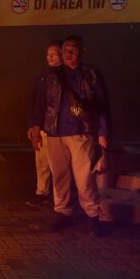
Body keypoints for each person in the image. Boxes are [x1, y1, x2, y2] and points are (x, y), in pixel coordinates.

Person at [30, 36, 112, 237]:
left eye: (73, 50)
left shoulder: (90, 75)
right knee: (59, 176)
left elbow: (102, 105)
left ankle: (94, 215)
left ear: (82, 51)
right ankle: (63, 212)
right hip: (55, 133)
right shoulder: (51, 77)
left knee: (84, 178)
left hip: (80, 132)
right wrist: (35, 127)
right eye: (65, 50)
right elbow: (41, 103)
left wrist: (103, 132)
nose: (68, 54)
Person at [26, 40, 63, 207]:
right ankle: (42, 192)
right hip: (43, 128)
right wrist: (34, 126)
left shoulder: (67, 78)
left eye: (54, 54)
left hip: (61, 130)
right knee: (41, 163)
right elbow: (37, 103)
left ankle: (61, 196)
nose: (51, 57)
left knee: (59, 166)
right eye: (48, 54)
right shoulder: (43, 77)